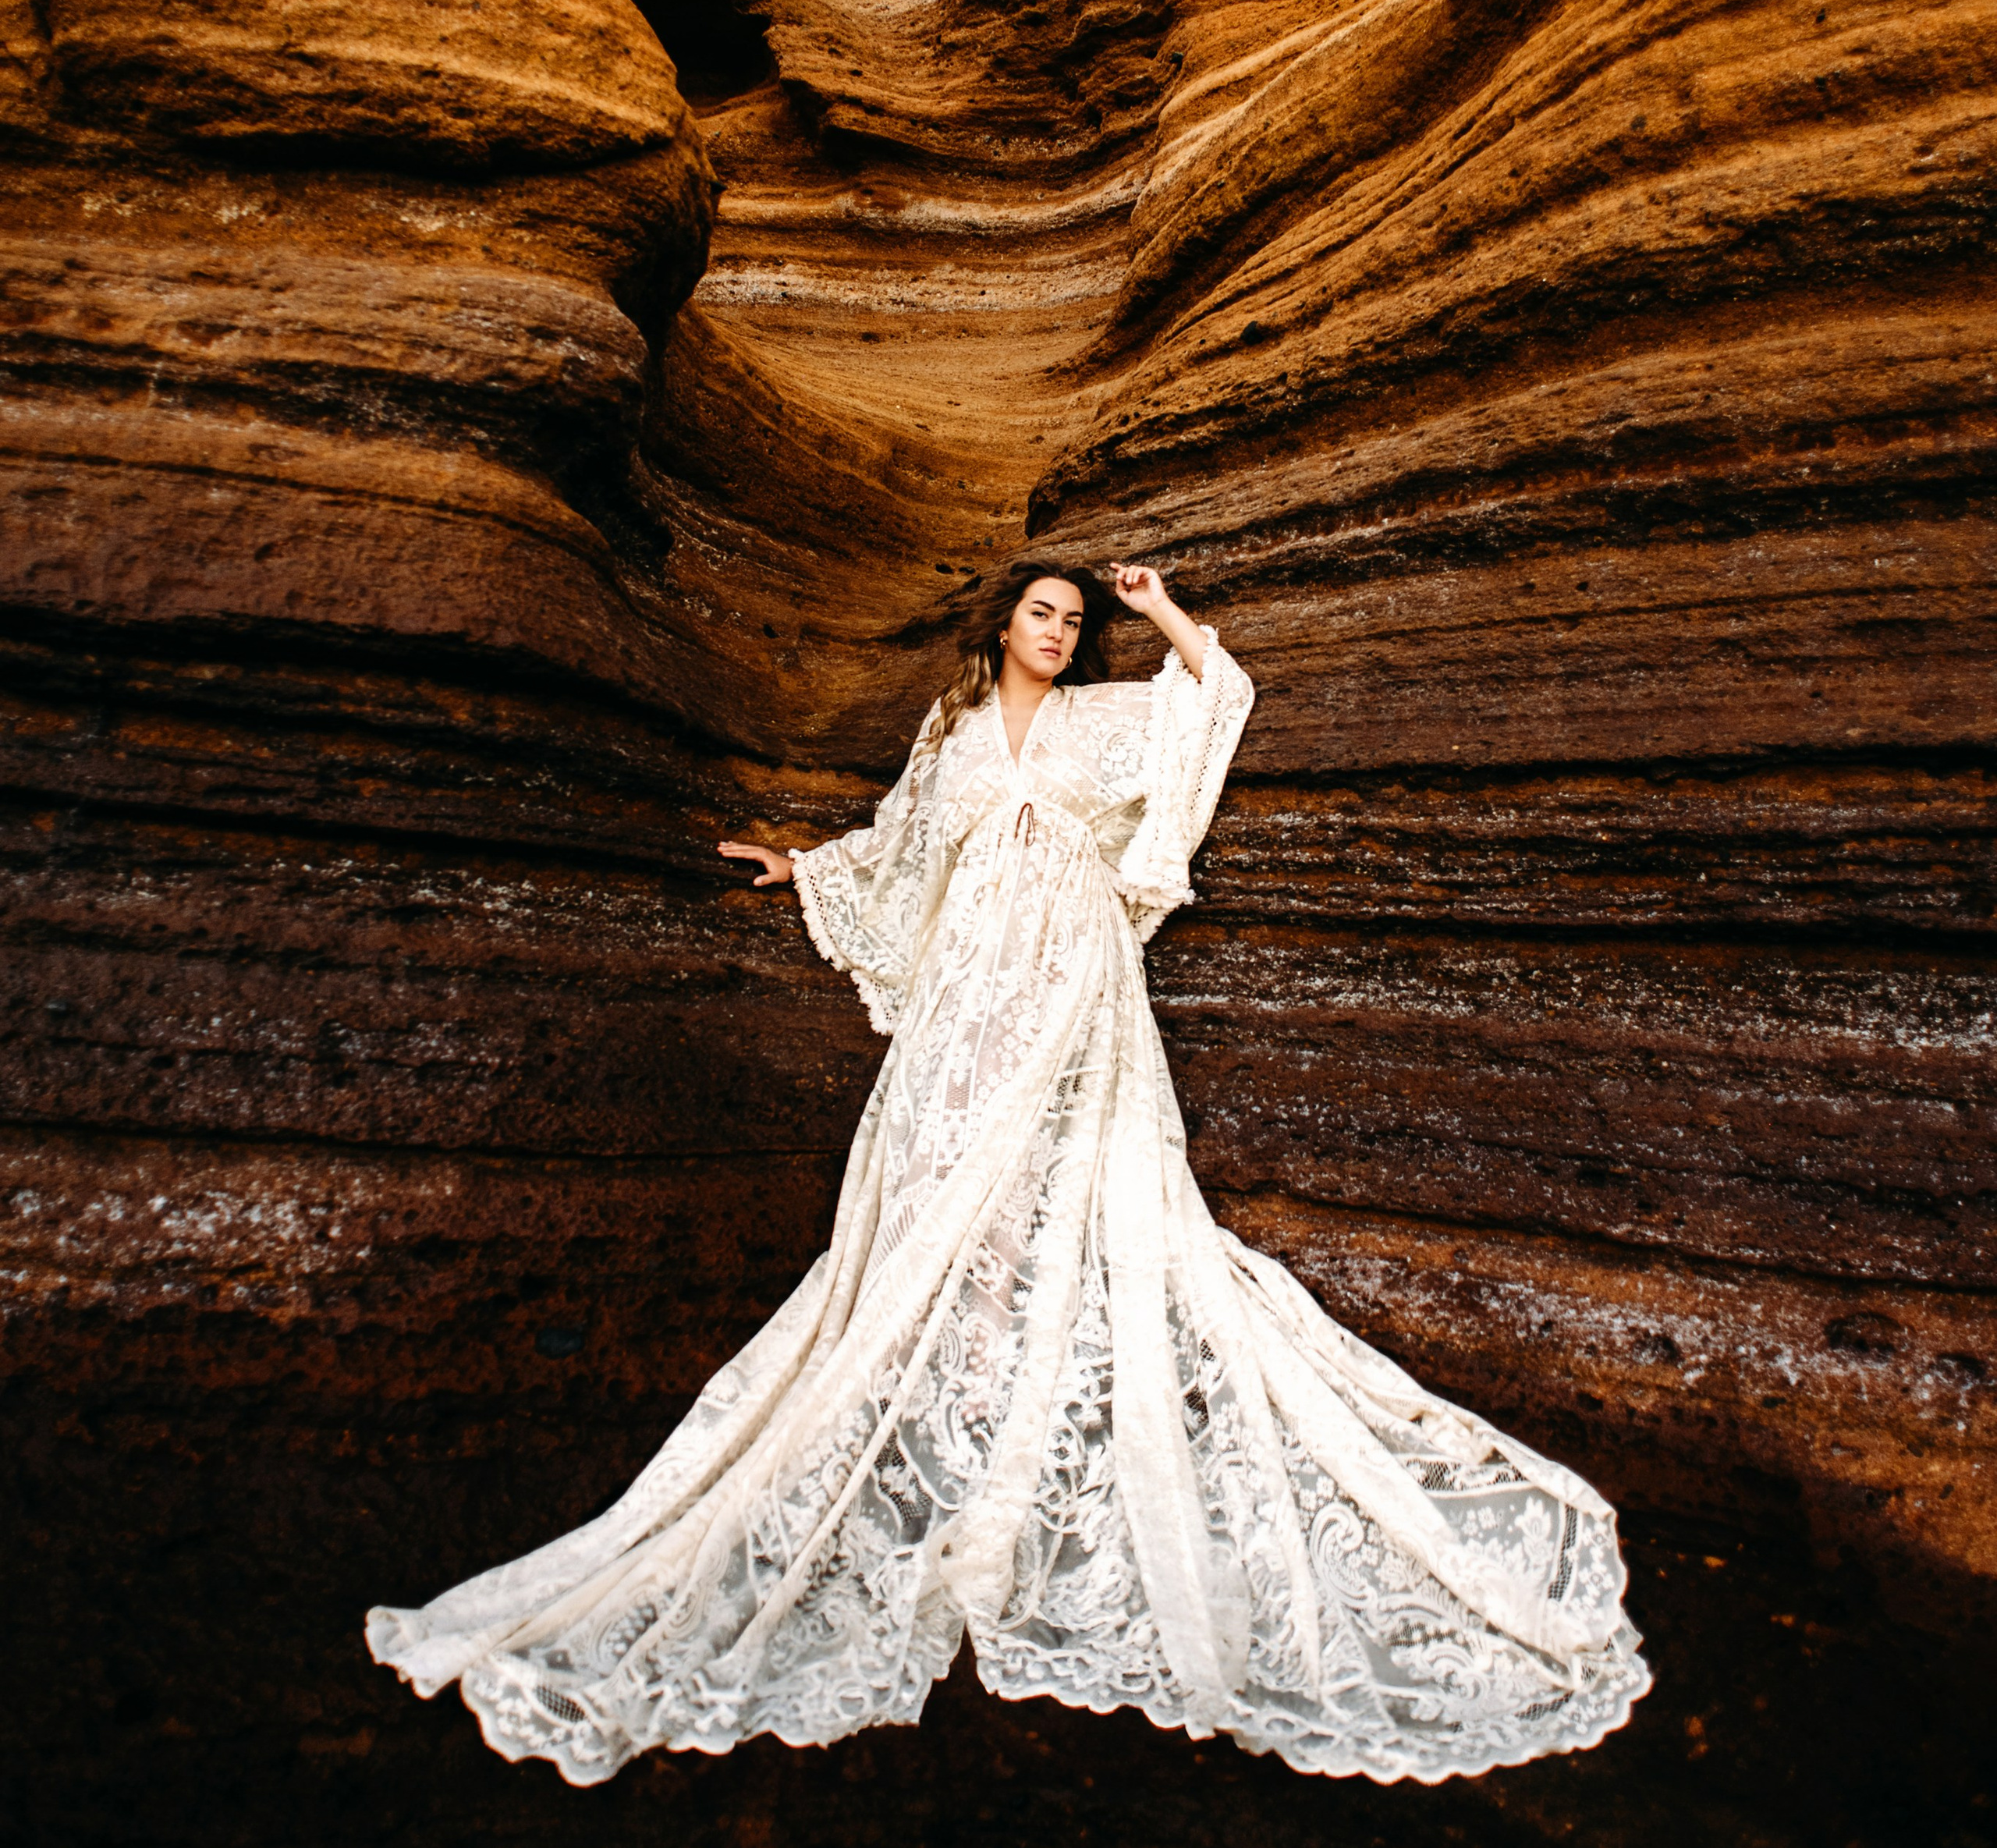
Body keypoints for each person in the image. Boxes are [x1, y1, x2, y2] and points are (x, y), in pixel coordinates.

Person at [367, 560, 1648, 1783]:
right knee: (942, 1176)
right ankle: (962, 1393)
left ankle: (1027, 1414)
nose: (1056, 632)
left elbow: (1219, 696)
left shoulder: (1101, 711)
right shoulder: (951, 727)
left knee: (1071, 1179)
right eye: (1041, 614)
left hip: (1073, 973)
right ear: (997, 630)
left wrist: (1162, 611)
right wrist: (806, 864)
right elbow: (904, 847)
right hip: (967, 985)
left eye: (1069, 621)